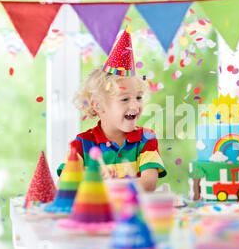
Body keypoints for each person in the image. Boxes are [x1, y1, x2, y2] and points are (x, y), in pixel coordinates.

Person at [57, 30, 167, 192]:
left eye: (138, 97)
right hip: (96, 216)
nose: (135, 106)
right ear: (98, 105)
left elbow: (149, 184)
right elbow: (63, 187)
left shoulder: (145, 139)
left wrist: (114, 185)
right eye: (124, 99)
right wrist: (96, 181)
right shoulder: (82, 144)